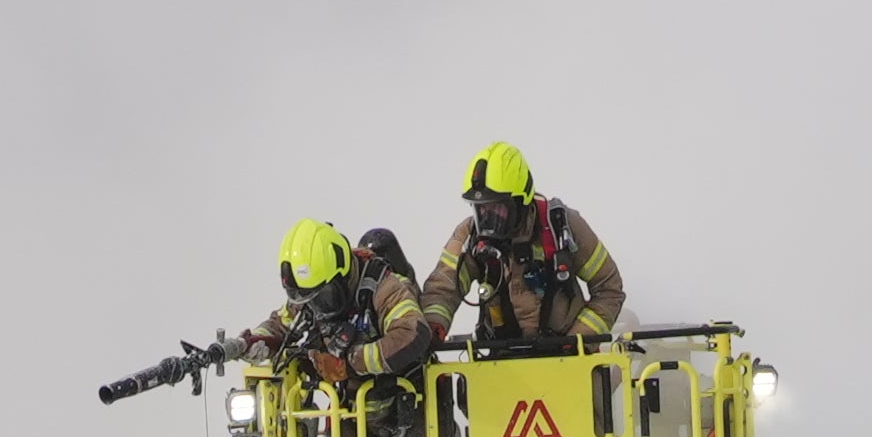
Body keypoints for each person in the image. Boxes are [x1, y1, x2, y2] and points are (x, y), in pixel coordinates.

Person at [431, 141, 625, 356]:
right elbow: (442, 288)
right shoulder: (470, 236)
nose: (487, 217)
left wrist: (578, 341)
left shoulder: (562, 226)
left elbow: (609, 289)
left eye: (497, 206)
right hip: (499, 367)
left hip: (570, 364)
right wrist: (432, 327)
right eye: (480, 208)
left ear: (521, 200)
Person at [258, 215, 434, 382]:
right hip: (345, 404)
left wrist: (350, 363)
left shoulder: (384, 286)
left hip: (402, 394)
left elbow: (412, 331)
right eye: (309, 299)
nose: (317, 306)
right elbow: (279, 324)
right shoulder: (310, 293)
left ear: (342, 273)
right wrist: (253, 341)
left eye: (323, 295)